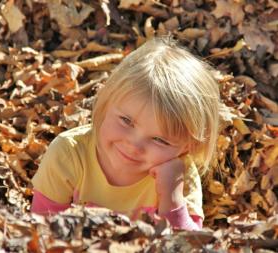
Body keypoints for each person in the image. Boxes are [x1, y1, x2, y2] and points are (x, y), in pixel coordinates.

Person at [31, 36, 220, 230]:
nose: (134, 145)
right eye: (126, 121)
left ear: (187, 146)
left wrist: (172, 199)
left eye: (159, 140)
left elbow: (188, 247)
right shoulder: (69, 154)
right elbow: (42, 231)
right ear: (106, 102)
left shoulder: (180, 176)